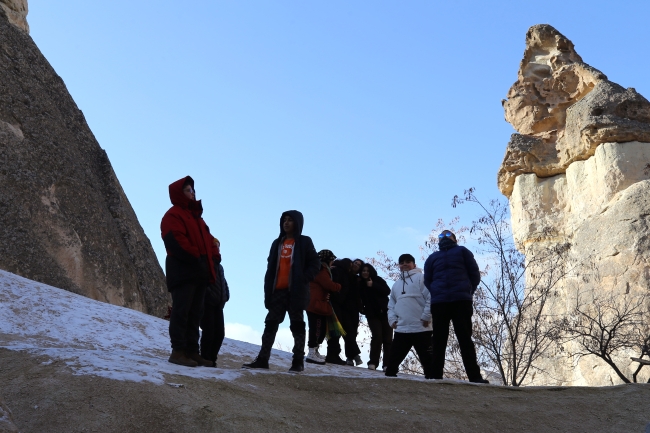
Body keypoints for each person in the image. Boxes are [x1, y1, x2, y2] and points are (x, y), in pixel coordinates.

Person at [243, 210, 320, 372]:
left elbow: (315, 263)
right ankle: (263, 359)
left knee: (297, 326)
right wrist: (267, 292)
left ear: (297, 223)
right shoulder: (276, 243)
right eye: (284, 220)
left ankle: (298, 362)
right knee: (270, 324)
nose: (286, 223)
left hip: (297, 292)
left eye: (290, 220)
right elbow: (270, 269)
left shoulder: (305, 242)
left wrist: (304, 278)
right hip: (277, 291)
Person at [161, 176, 216, 368]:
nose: (192, 193)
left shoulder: (198, 219)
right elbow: (175, 241)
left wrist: (214, 257)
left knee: (195, 313)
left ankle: (193, 351)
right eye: (187, 190)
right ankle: (178, 351)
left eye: (193, 190)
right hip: (183, 271)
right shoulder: (173, 215)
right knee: (181, 311)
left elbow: (210, 241)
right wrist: (197, 257)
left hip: (199, 272)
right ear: (179, 193)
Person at [423, 230, 489, 384]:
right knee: (438, 340)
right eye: (441, 236)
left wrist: (468, 290)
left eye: (447, 235)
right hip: (439, 302)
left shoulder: (463, 251)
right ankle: (435, 376)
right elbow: (427, 280)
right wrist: (436, 292)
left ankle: (475, 377)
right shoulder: (432, 257)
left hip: (461, 300)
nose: (444, 238)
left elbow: (474, 274)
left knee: (465, 338)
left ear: (454, 238)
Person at [384, 253, 433, 378]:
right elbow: (391, 305)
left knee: (430, 367)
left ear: (414, 264)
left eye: (408, 262)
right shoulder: (396, 284)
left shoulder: (422, 278)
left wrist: (426, 316)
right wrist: (392, 320)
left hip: (422, 328)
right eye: (402, 262)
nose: (404, 264)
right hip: (402, 328)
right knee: (391, 368)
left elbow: (431, 297)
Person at [305, 249, 341, 365]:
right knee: (316, 327)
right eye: (332, 260)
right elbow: (328, 285)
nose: (332, 263)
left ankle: (314, 351)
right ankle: (311, 352)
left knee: (317, 327)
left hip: (313, 302)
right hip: (316, 303)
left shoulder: (318, 268)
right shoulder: (321, 269)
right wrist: (339, 286)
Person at [200, 238, 230, 367]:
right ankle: (206, 357)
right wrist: (209, 295)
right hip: (207, 303)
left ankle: (212, 358)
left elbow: (223, 282)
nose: (216, 248)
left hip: (219, 304)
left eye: (218, 246)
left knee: (219, 334)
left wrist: (226, 296)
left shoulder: (219, 266)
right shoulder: (205, 262)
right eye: (214, 245)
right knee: (209, 332)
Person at [359, 263, 392, 371]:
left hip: (385, 312)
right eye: (363, 270)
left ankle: (387, 364)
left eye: (367, 271)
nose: (365, 273)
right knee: (377, 336)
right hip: (372, 315)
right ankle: (373, 362)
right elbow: (357, 298)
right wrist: (363, 309)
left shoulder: (378, 280)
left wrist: (373, 285)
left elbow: (387, 291)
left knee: (387, 339)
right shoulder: (359, 283)